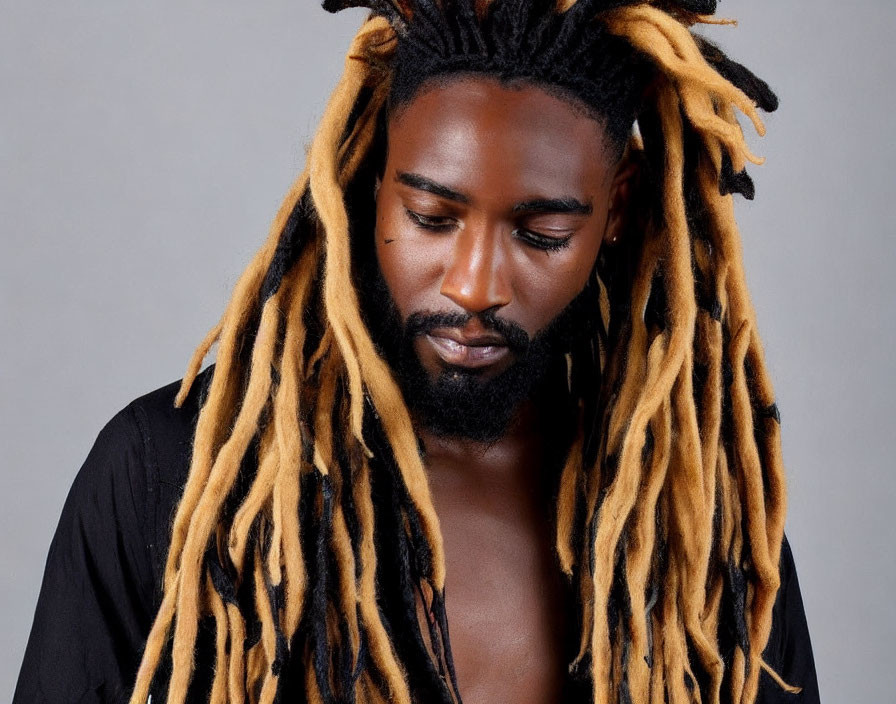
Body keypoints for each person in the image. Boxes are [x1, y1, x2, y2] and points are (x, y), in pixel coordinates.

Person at [14, 0, 820, 702]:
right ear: (371, 181)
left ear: (617, 212)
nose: (474, 286)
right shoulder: (169, 476)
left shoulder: (695, 526)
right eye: (433, 218)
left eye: (541, 235)